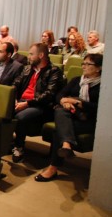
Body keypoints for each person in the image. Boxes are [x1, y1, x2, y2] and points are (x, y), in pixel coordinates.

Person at [35, 53, 102, 182]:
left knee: (57, 130)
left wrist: (76, 102)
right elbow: (60, 95)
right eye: (83, 63)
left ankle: (53, 167)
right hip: (72, 116)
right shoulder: (77, 80)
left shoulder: (103, 86)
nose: (84, 66)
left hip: (91, 120)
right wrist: (64, 102)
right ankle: (66, 146)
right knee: (61, 111)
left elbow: (99, 108)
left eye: (88, 64)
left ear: (98, 68)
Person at [11, 43, 64, 163]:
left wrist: (27, 103)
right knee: (0, 110)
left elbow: (49, 95)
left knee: (20, 117)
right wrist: (13, 98)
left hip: (41, 105)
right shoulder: (27, 68)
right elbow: (15, 84)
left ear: (41, 55)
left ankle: (19, 147)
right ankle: (5, 143)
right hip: (21, 101)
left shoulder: (54, 71)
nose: (28, 57)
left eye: (31, 54)